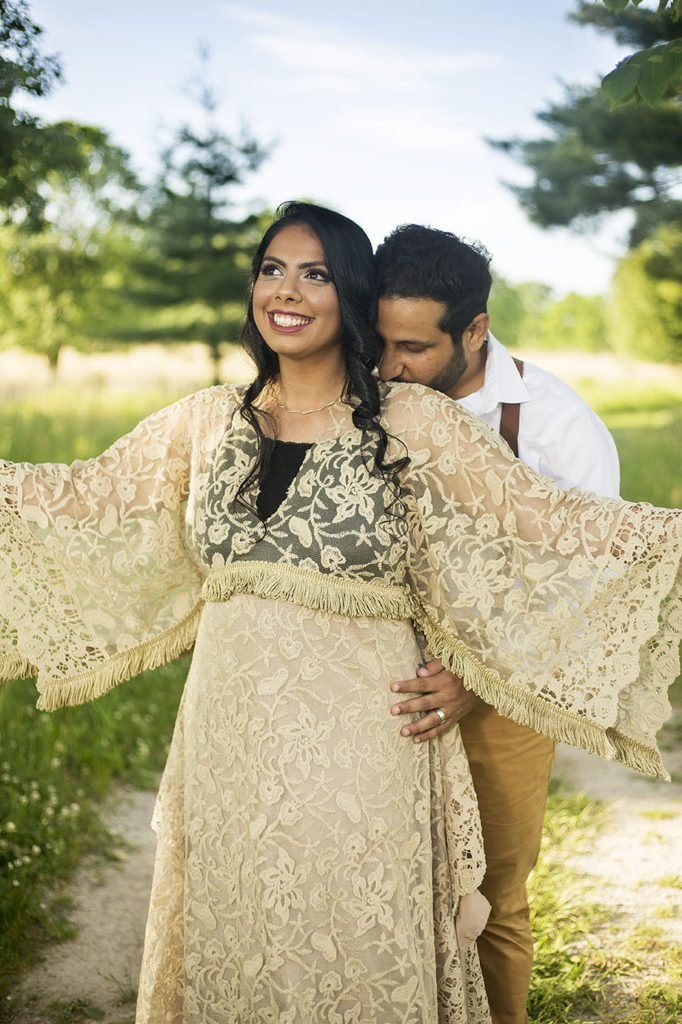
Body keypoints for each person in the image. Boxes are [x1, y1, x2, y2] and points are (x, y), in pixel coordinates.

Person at [1, 202, 680, 1024]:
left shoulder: (409, 418)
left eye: (315, 273)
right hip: (228, 740)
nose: (287, 290)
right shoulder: (204, 420)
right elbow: (74, 499)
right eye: (272, 269)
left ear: (348, 292)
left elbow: (557, 527)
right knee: (239, 928)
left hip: (365, 742)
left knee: (354, 942)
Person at [373, 223, 621, 1024]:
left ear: (474, 330)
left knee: (493, 900)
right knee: (377, 888)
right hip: (382, 681)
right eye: (379, 341)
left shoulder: (559, 428)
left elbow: (589, 591)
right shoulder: (369, 398)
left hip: (508, 695)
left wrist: (477, 677)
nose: (389, 365)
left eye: (411, 347)